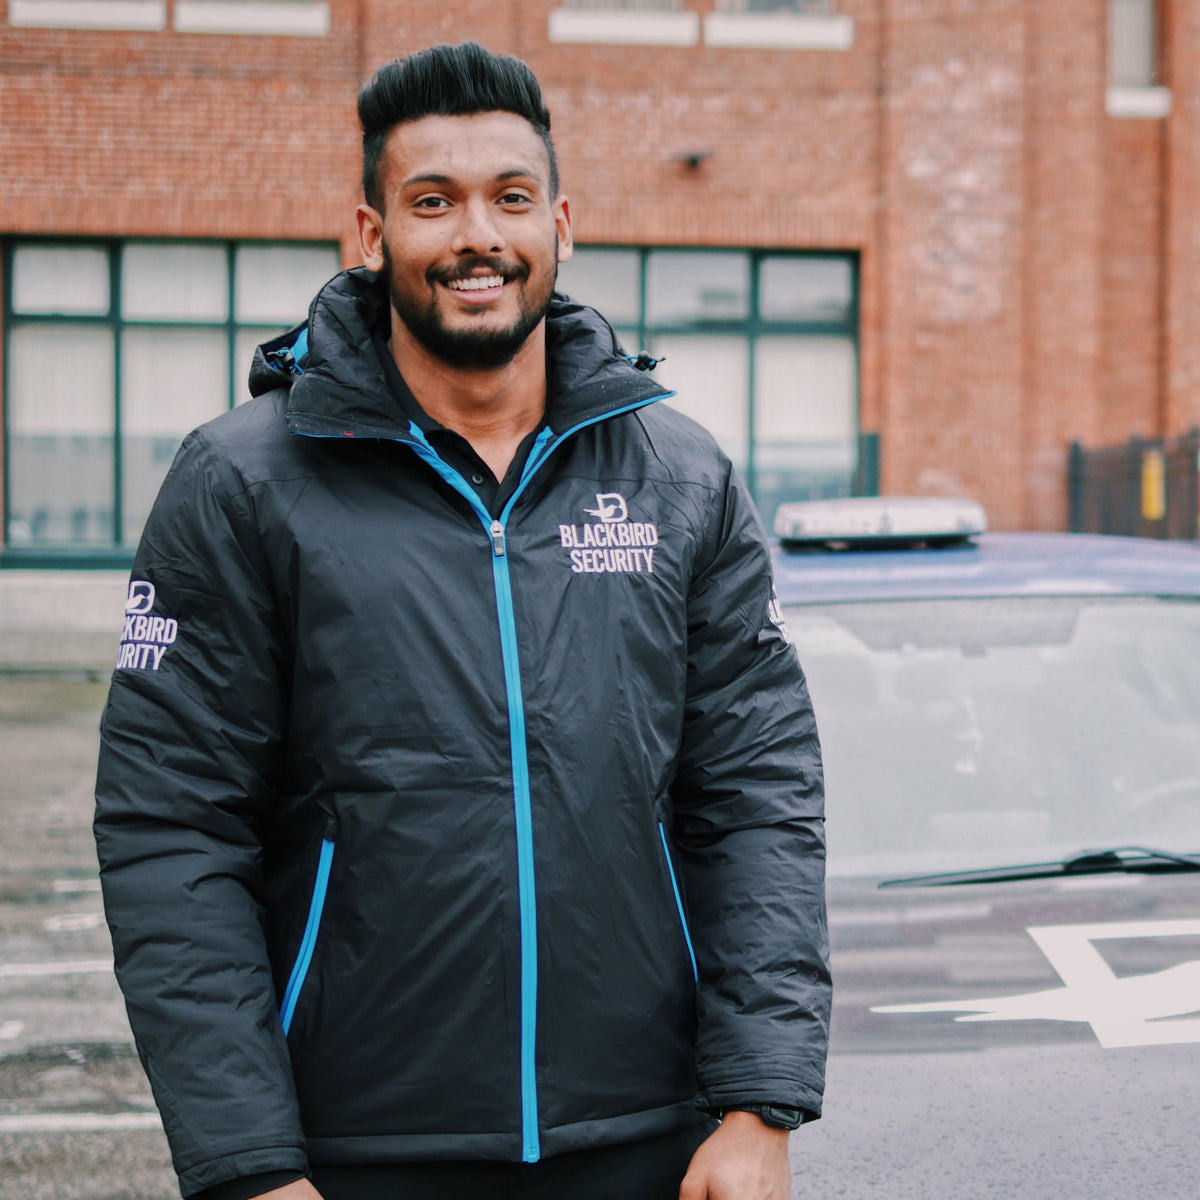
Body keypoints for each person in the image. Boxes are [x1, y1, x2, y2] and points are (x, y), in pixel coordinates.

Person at [94, 41, 829, 1200]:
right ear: (372, 233)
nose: (476, 236)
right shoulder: (242, 482)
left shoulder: (679, 476)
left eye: (510, 198)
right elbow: (171, 830)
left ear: (563, 225)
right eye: (432, 201)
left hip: (651, 1140)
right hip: (353, 1155)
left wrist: (759, 1104)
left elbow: (757, 794)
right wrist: (247, 1166)